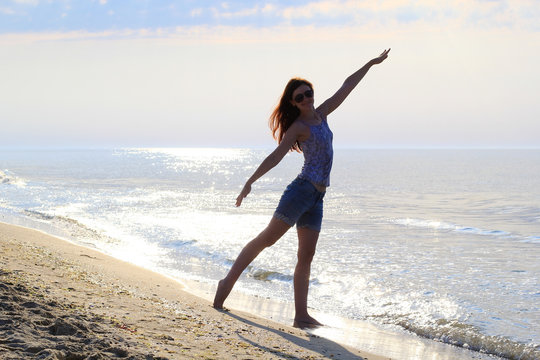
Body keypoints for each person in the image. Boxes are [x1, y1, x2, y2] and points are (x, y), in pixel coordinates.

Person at [213, 49, 391, 328]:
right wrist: (250, 182)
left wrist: (370, 63)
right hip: (300, 192)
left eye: (309, 93)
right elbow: (275, 156)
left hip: (318, 197)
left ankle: (301, 315)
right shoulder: (297, 127)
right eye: (300, 97)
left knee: (306, 255)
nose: (307, 98)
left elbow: (346, 86)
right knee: (266, 240)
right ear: (293, 103)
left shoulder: (322, 114)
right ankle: (226, 283)